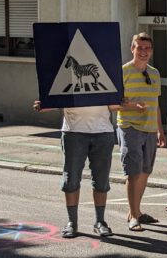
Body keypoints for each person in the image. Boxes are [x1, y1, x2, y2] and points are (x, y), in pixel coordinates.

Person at [32, 99, 125, 238]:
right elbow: (58, 95)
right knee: (71, 178)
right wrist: (45, 104)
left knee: (101, 179)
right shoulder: (65, 77)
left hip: (103, 132)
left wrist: (124, 103)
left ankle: (100, 222)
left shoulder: (108, 78)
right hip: (73, 132)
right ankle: (72, 222)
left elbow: (112, 104)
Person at [117, 32, 166, 232]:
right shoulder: (122, 72)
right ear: (132, 49)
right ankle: (134, 216)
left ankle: (135, 211)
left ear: (151, 51)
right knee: (133, 173)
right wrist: (132, 106)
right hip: (130, 127)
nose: (144, 52)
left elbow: (156, 105)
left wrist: (160, 130)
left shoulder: (154, 73)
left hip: (150, 129)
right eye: (140, 48)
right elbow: (115, 103)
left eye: (147, 49)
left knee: (145, 172)